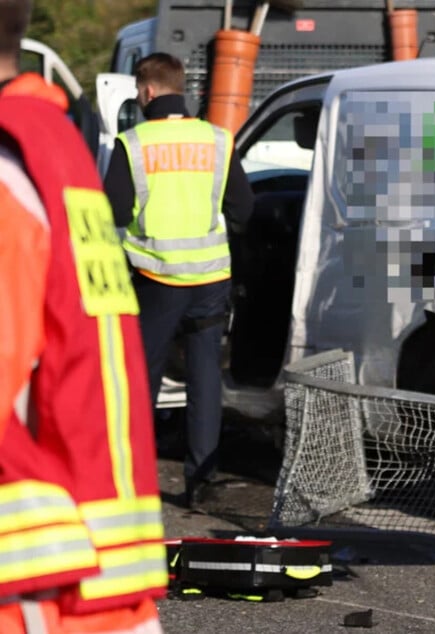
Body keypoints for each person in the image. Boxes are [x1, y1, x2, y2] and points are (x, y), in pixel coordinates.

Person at [0, 1, 167, 631]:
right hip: (87, 583)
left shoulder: (105, 148)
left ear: (146, 90)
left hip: (31, 594)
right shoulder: (50, 148)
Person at [104, 52, 253, 509]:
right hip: (209, 278)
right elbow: (244, 210)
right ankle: (200, 483)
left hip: (155, 279)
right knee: (205, 376)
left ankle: (132, 482)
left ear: (147, 91)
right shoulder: (217, 139)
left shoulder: (134, 143)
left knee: (142, 380)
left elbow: (113, 211)